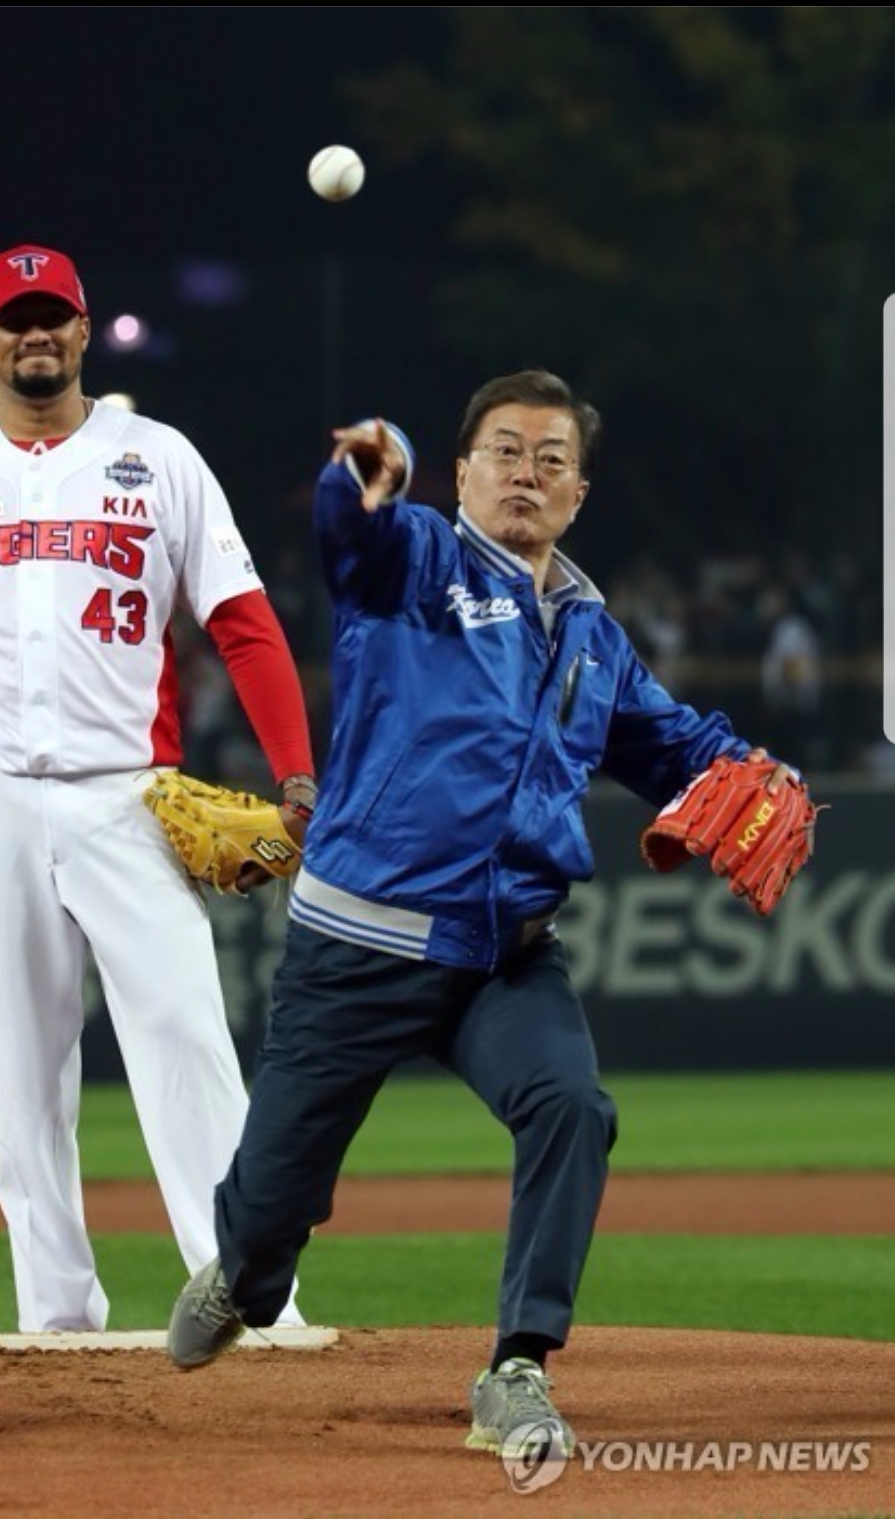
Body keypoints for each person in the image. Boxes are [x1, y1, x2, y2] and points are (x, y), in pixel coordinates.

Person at [166, 368, 801, 1457]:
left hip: (505, 957)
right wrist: (368, 464)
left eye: (552, 459)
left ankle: (517, 1365)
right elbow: (349, 530)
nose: (526, 473)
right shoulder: (416, 562)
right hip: (359, 946)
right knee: (268, 1208)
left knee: (573, 1107)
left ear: (578, 494)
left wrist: (750, 767)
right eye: (505, 451)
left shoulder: (592, 637)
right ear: (462, 473)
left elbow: (674, 746)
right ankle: (247, 1269)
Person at [0, 244, 317, 1334]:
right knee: (25, 1069)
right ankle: (55, 1319)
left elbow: (242, 623)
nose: (35, 333)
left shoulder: (158, 457)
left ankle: (251, 1297)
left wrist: (293, 765)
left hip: (129, 796)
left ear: (84, 331)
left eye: (53, 315)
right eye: (15, 317)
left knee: (188, 1042)